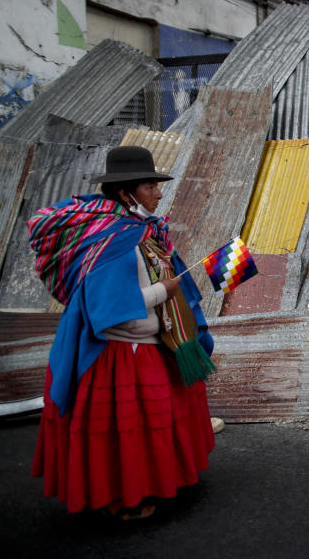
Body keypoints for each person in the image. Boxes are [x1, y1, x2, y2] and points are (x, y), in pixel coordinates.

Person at [29, 145, 217, 520]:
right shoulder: (113, 242)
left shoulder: (138, 232)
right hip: (120, 354)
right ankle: (123, 497)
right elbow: (110, 311)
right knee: (126, 433)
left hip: (150, 345)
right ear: (125, 192)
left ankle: (153, 483)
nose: (159, 193)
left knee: (152, 427)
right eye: (150, 185)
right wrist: (165, 290)